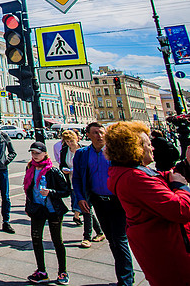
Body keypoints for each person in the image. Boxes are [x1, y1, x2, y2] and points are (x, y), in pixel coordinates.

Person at [105, 121, 190, 286]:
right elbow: (181, 210)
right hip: (169, 253)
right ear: (134, 148)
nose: (153, 148)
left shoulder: (132, 172)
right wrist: (181, 187)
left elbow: (162, 179)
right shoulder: (134, 178)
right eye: (148, 144)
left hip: (162, 247)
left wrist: (185, 166)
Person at [72, 122, 134, 286]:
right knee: (112, 240)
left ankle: (126, 279)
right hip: (98, 200)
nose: (99, 135)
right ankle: (125, 274)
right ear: (88, 135)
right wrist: (81, 197)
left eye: (101, 132)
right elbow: (77, 178)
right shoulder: (82, 154)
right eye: (95, 132)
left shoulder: (115, 152)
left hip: (117, 200)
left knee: (120, 239)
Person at [23, 141, 70, 285]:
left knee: (57, 241)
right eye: (32, 153)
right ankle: (41, 271)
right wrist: (28, 206)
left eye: (37, 153)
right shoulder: (30, 168)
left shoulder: (53, 171)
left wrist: (51, 192)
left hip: (53, 210)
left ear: (44, 154)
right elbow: (29, 189)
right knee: (36, 240)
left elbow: (66, 191)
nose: (35, 156)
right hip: (37, 209)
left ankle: (63, 271)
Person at [55, 130, 103, 246]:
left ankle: (87, 237)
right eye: (67, 141)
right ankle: (100, 232)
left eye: (71, 141)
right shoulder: (64, 151)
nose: (70, 144)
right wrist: (64, 169)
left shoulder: (85, 150)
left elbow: (91, 166)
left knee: (86, 208)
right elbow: (62, 164)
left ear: (77, 139)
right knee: (86, 209)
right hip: (72, 182)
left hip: (86, 183)